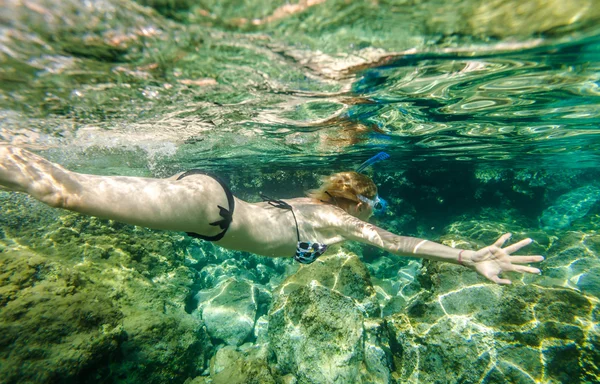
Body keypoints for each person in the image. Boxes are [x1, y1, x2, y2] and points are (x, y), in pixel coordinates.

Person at [0, 145, 543, 284]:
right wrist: (469, 255)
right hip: (209, 211)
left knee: (67, 187)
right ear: (358, 202)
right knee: (63, 192)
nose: (375, 213)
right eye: (373, 203)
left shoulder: (315, 209)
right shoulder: (346, 223)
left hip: (208, 201)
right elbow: (398, 243)